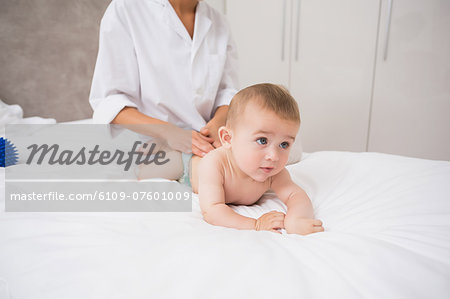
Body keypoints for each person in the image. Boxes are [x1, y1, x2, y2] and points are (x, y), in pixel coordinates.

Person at [138, 83, 324, 235]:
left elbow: (297, 196)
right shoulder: (215, 164)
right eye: (262, 140)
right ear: (228, 138)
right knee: (145, 171)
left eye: (284, 145)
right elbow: (212, 211)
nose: (274, 156)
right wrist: (255, 224)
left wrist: (297, 219)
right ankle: (163, 146)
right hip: (189, 166)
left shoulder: (274, 172)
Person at [89, 0, 238, 157]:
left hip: (204, 141)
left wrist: (216, 124)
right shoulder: (126, 8)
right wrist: (168, 132)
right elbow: (110, 101)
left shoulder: (218, 21)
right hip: (148, 142)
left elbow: (227, 92)